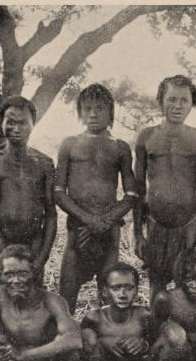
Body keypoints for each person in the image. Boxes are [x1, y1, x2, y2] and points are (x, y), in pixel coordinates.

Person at [55, 84, 137, 314]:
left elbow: (131, 195)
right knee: (66, 298)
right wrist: (88, 220)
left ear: (111, 112)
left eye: (99, 108)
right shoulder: (70, 144)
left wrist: (106, 220)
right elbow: (58, 192)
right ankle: (67, 336)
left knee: (109, 297)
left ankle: (105, 335)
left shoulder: (120, 147)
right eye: (87, 108)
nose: (93, 114)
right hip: (77, 231)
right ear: (79, 112)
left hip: (109, 234)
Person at [133, 75, 196, 304]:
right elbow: (138, 189)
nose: (178, 106)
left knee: (186, 286)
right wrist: (138, 234)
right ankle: (156, 326)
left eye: (184, 100)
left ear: (192, 103)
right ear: (161, 101)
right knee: (156, 285)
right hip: (156, 223)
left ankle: (182, 327)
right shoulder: (147, 137)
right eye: (172, 99)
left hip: (188, 225)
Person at [0, 96, 56, 287]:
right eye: (11, 122)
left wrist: (42, 257)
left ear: (32, 124)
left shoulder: (44, 163)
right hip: (1, 240)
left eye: (23, 123)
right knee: (2, 296)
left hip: (33, 242)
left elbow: (51, 213)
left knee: (33, 297)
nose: (16, 128)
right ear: (1, 123)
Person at [80, 262, 151, 361]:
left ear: (137, 291)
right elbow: (83, 347)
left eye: (129, 288)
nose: (123, 294)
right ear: (105, 292)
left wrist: (143, 344)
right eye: (116, 288)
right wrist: (103, 341)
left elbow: (156, 342)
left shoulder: (144, 315)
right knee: (88, 337)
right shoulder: (95, 318)